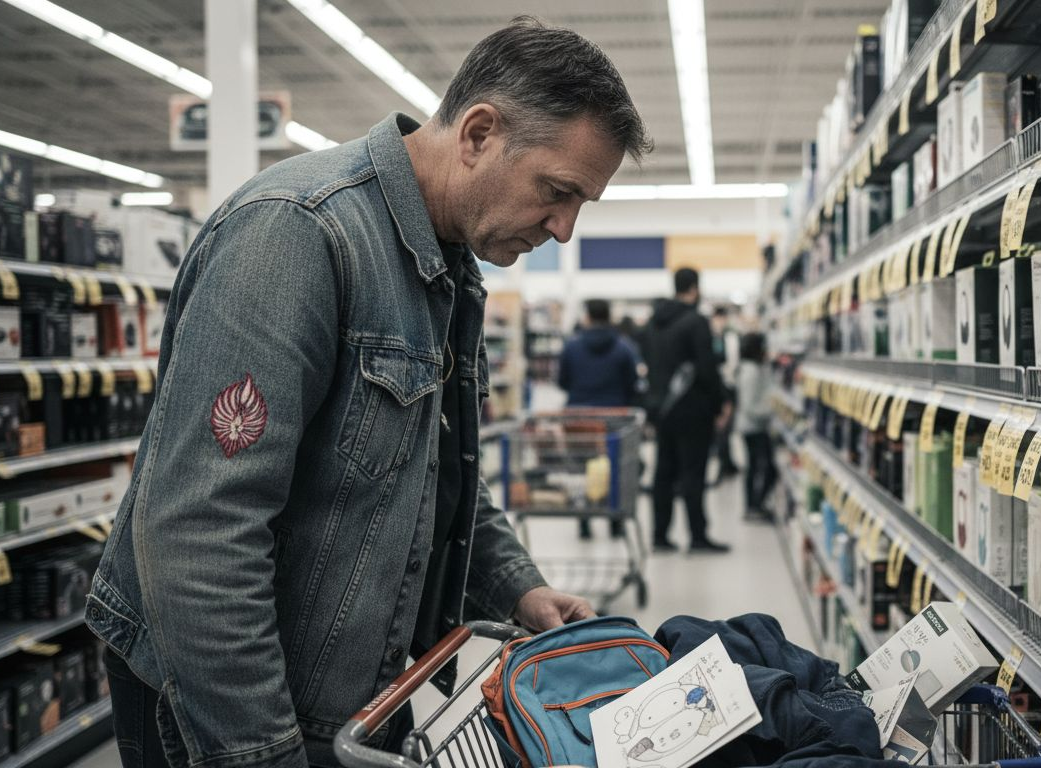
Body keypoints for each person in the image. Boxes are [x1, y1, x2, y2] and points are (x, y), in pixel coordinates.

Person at [85, 17, 651, 768]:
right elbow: (200, 530)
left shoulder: (446, 262)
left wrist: (517, 588)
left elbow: (427, 469)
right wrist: (261, 752)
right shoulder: (296, 235)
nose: (565, 229)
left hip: (347, 694)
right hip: (224, 710)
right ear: (479, 134)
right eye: (557, 192)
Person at [643, 268, 730, 554]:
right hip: (693, 409)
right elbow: (707, 368)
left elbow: (648, 363)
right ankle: (697, 536)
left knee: (663, 472)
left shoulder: (654, 322)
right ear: (694, 288)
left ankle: (660, 535)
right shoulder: (696, 321)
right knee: (693, 472)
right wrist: (719, 404)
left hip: (661, 407)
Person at [558, 298, 639, 539]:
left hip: (579, 418)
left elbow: (562, 381)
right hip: (615, 418)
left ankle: (584, 519)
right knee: (615, 467)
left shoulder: (571, 346)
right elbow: (632, 383)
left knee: (583, 469)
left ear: (587, 317)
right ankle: (615, 520)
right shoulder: (624, 347)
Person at [735, 332, 779, 522]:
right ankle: (753, 506)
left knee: (755, 467)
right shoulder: (750, 371)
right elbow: (749, 405)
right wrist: (772, 411)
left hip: (755, 426)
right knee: (762, 467)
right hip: (753, 427)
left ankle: (754, 505)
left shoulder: (754, 368)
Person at [710, 307, 740, 482]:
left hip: (727, 389)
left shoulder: (730, 337)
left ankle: (726, 464)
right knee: (721, 429)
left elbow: (732, 364)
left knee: (725, 427)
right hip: (717, 389)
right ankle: (726, 463)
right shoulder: (712, 337)